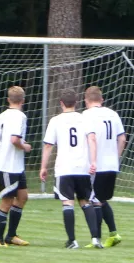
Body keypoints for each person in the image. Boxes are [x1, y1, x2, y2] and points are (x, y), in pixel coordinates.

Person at [40, 89, 102, 249]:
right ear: (76, 102)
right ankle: (95, 238)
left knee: (68, 203)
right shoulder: (84, 118)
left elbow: (48, 145)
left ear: (61, 103)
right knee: (85, 202)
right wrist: (93, 161)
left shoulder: (55, 120)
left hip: (64, 168)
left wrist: (43, 167)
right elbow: (92, 139)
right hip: (82, 168)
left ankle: (72, 240)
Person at [82, 86, 126, 248]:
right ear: (101, 99)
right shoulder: (113, 114)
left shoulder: (86, 115)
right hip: (112, 164)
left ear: (86, 100)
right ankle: (114, 234)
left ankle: (96, 240)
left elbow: (91, 139)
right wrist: (116, 157)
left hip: (97, 165)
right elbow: (122, 139)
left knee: (94, 200)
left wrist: (92, 161)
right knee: (102, 199)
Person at [0, 86, 32, 247]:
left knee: (22, 197)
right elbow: (14, 140)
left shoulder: (2, 115)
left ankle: (11, 236)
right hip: (8, 165)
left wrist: (5, 142)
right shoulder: (20, 116)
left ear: (8, 100)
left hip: (17, 166)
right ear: (23, 100)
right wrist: (25, 146)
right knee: (7, 201)